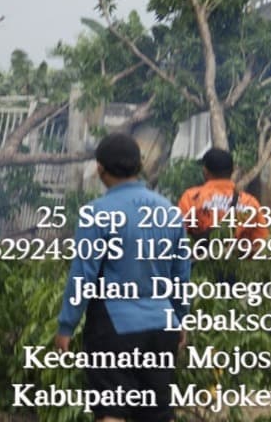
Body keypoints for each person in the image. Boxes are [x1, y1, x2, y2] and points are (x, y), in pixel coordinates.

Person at [55, 133, 190, 422]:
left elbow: (83, 275)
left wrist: (67, 325)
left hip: (114, 328)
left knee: (112, 411)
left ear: (100, 168)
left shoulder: (98, 213)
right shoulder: (170, 212)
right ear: (139, 165)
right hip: (161, 326)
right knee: (157, 414)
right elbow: (181, 275)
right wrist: (179, 318)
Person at [178, 147, 270, 245]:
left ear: (205, 171)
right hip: (238, 259)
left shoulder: (192, 197)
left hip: (201, 259)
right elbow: (261, 242)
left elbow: (178, 234)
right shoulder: (249, 202)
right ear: (233, 170)